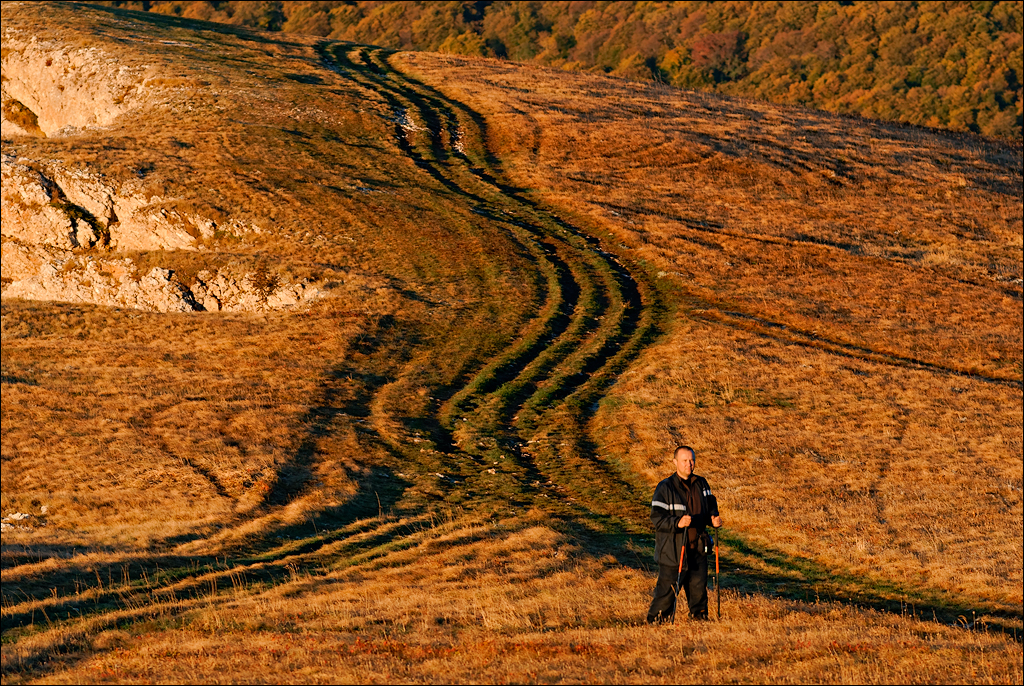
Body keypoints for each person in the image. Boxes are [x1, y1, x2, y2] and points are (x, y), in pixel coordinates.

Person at [646, 445, 721, 623]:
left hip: (698, 548)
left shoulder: (702, 484)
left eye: (691, 460)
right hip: (673, 550)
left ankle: (699, 620)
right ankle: (656, 622)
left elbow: (710, 505)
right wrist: (677, 523)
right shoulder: (665, 487)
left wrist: (713, 518)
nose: (689, 464)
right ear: (675, 462)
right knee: (667, 592)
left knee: (699, 590)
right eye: (684, 460)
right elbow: (657, 518)